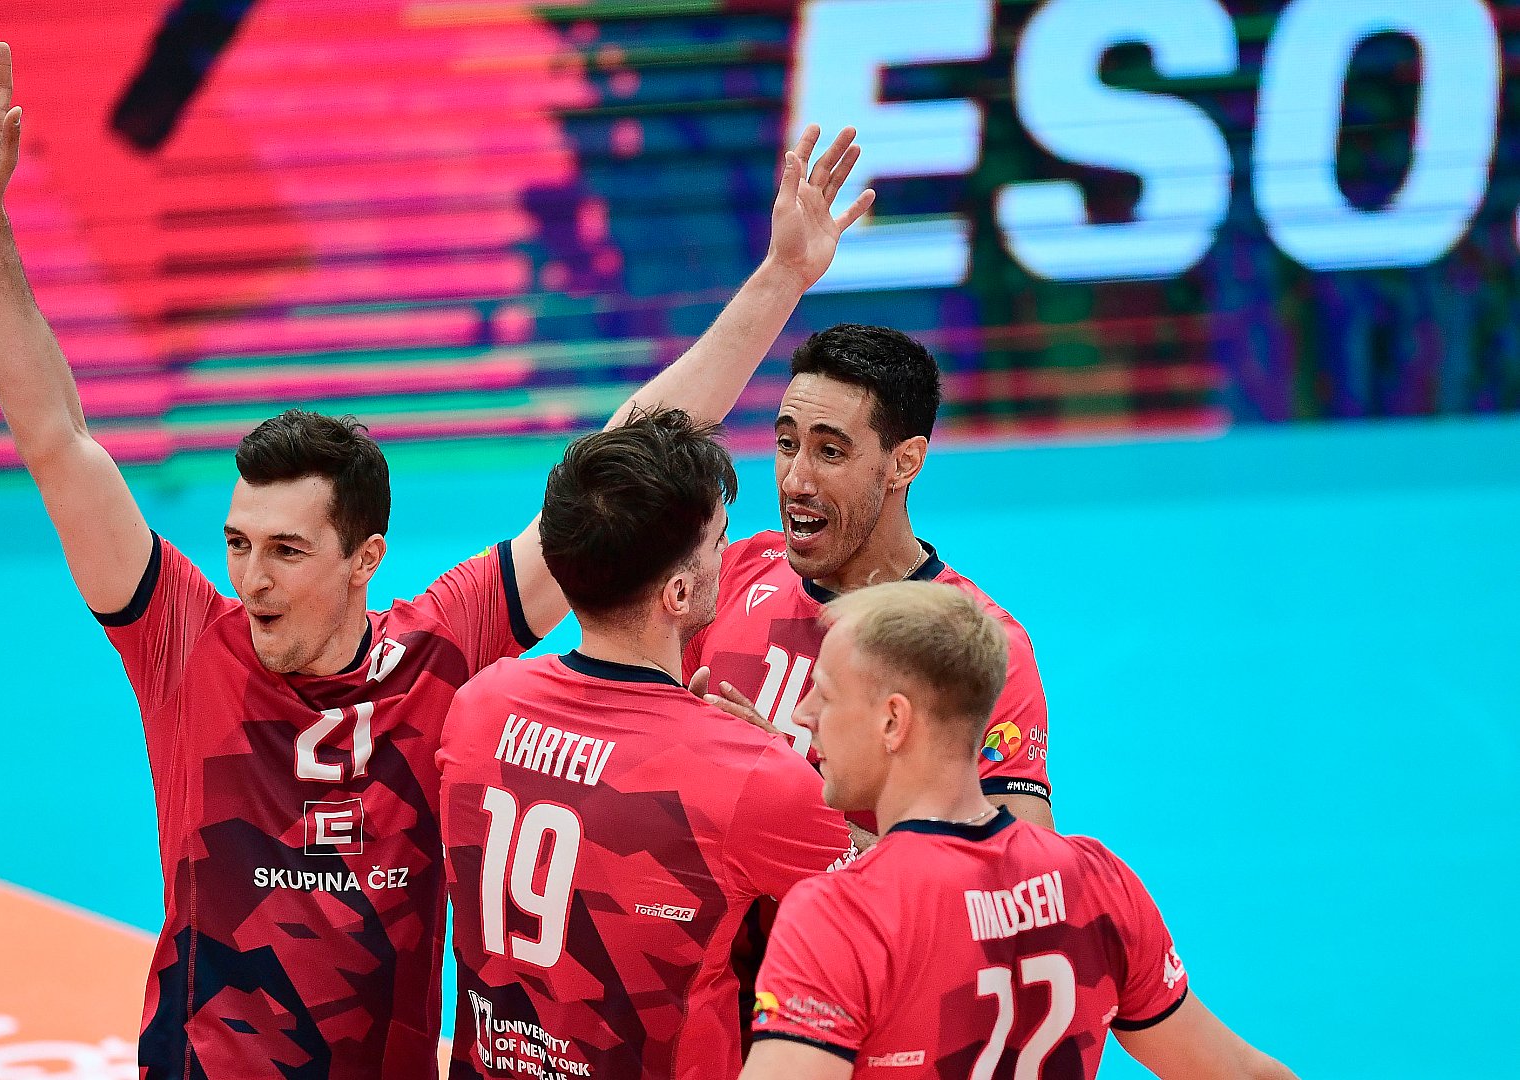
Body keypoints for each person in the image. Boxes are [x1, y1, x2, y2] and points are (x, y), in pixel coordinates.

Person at [0, 43, 873, 1080]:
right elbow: (59, 441)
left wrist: (781, 277)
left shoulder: (440, 653)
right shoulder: (186, 645)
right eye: (238, 545)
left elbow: (630, 463)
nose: (251, 580)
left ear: (364, 557)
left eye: (287, 551)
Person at [437, 409, 854, 1080]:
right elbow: (907, 910)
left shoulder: (478, 706)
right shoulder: (749, 773)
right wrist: (796, 765)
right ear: (679, 592)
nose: (731, 558)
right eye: (719, 542)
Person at [740, 582, 1299, 1080]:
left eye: (826, 693)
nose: (804, 714)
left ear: (893, 720)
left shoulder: (841, 916)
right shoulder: (1096, 882)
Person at [687, 324, 1053, 830]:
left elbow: (1009, 870)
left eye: (830, 452)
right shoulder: (732, 571)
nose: (796, 480)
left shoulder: (977, 646)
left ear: (905, 462)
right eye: (787, 443)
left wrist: (795, 807)